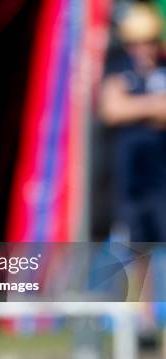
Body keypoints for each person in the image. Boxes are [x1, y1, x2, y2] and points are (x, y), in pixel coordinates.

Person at [99, 2, 166, 242]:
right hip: (128, 180)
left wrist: (134, 105)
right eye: (136, 42)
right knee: (133, 248)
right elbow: (112, 110)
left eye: (148, 41)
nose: (143, 49)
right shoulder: (119, 68)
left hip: (161, 180)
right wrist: (153, 105)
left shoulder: (162, 69)